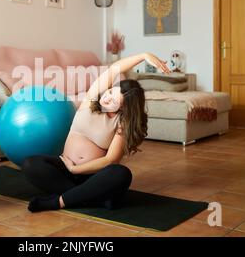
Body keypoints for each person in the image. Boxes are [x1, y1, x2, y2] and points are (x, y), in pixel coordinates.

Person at [21, 53, 170, 212]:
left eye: (114, 101)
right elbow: (114, 70)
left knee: (121, 173)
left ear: (123, 108)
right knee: (30, 164)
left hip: (93, 176)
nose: (107, 98)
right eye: (111, 92)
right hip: (65, 168)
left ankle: (59, 201)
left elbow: (110, 160)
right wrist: (143, 56)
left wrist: (76, 169)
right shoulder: (91, 99)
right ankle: (91, 198)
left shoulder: (122, 123)